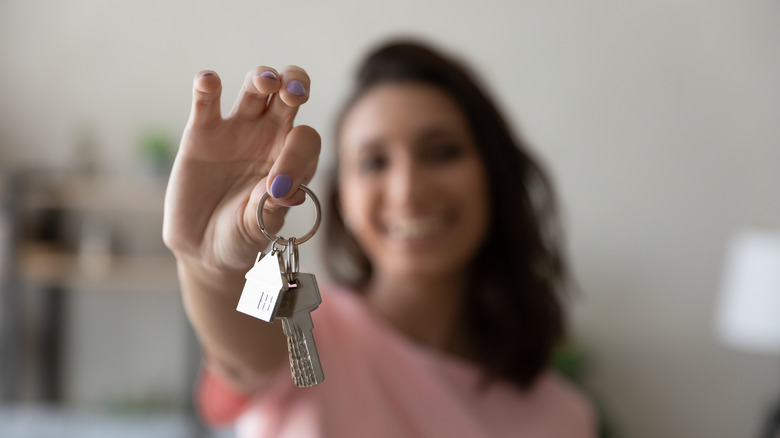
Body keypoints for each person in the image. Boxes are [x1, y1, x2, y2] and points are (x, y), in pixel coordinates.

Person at [163, 39, 596, 437]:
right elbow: (241, 359)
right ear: (342, 201)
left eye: (442, 152)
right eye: (373, 163)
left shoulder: (564, 417)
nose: (407, 189)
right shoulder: (302, 330)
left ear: (493, 176)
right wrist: (206, 263)